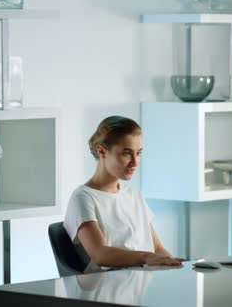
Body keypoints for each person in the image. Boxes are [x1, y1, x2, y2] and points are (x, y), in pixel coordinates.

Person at [64, 115, 182, 273]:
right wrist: (146, 257)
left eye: (138, 153)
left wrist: (176, 267)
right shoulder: (83, 198)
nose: (135, 162)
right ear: (101, 151)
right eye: (126, 153)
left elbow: (158, 248)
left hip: (140, 285)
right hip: (106, 289)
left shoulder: (134, 195)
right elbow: (100, 254)